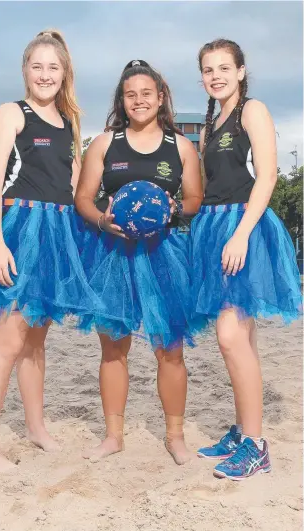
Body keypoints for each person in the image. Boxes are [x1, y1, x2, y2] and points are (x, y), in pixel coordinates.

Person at [0, 29, 99, 473]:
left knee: (36, 339)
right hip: (18, 229)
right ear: (25, 70)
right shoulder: (12, 113)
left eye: (54, 67)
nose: (45, 74)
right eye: (37, 66)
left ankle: (35, 427)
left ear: (64, 72)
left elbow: (72, 188)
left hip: (56, 233)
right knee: (9, 341)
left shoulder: (68, 123)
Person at [75, 59, 204, 464]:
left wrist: (173, 209)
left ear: (161, 97)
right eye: (131, 94)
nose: (139, 100)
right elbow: (82, 198)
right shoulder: (104, 144)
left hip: (165, 255)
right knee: (114, 348)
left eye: (147, 93)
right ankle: (114, 436)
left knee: (170, 348)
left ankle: (175, 436)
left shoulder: (180, 145)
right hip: (113, 254)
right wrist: (101, 219)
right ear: (122, 100)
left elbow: (196, 200)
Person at [190, 39, 302, 480]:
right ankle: (243, 430)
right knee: (244, 341)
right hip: (213, 230)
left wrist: (240, 235)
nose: (215, 75)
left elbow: (268, 174)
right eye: (207, 69)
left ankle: (256, 447)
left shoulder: (252, 111)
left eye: (223, 67)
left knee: (230, 336)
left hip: (244, 229)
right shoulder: (209, 123)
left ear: (240, 71)